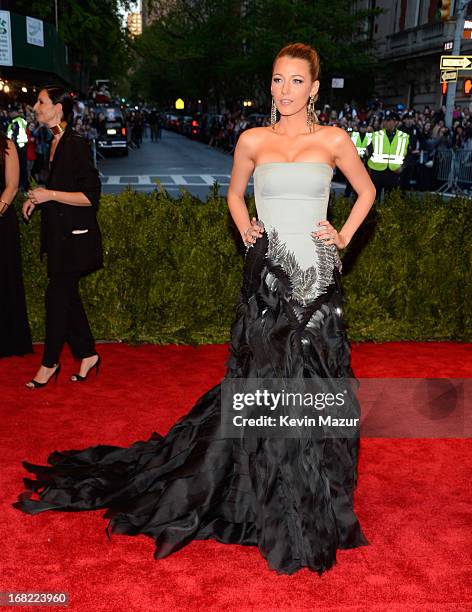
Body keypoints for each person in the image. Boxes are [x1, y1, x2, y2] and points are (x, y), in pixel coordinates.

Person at [15, 44, 375, 576]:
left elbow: (367, 193)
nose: (284, 90)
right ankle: (261, 496)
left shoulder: (334, 140)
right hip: (269, 279)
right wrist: (248, 228)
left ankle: (313, 493)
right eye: (278, 80)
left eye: (296, 81)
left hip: (318, 282)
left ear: (314, 89)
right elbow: (234, 196)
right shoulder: (252, 140)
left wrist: (339, 238)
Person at [21, 86, 103, 388]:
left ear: (58, 108)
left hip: (76, 240)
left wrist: (49, 194)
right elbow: (54, 192)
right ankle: (88, 353)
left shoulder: (76, 144)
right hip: (59, 239)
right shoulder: (53, 142)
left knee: (56, 297)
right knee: (68, 299)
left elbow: (90, 197)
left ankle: (49, 362)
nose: (35, 106)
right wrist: (36, 199)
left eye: (41, 102)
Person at [0, 132, 33, 357]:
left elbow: (12, 186)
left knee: (5, 279)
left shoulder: (6, 145)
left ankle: (8, 341)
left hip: (2, 222)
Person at [366, 109, 411, 201]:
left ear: (395, 122)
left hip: (394, 173)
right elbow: (368, 151)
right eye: (385, 120)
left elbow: (408, 155)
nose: (386, 123)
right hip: (377, 172)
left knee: (391, 200)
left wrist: (402, 167)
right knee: (373, 200)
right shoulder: (376, 135)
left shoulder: (403, 137)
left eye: (389, 120)